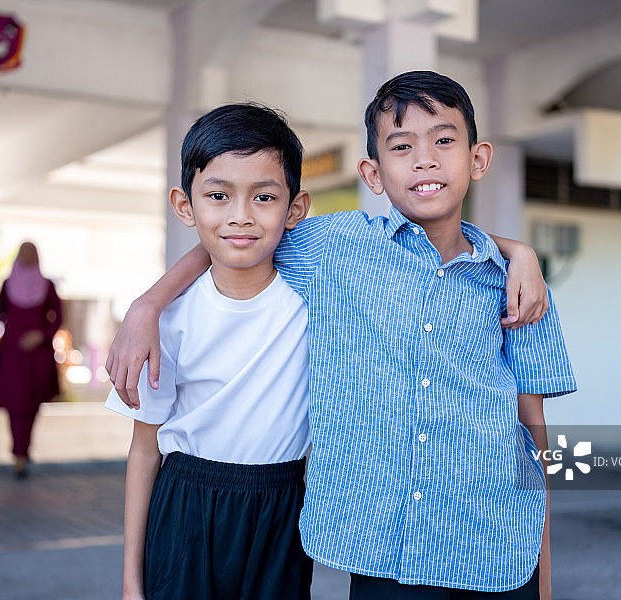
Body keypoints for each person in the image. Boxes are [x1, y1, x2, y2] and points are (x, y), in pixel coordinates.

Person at [108, 71, 575, 599]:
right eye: (402, 146)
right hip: (386, 554)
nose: (425, 160)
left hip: (499, 550)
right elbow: (238, 230)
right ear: (372, 174)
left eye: (444, 140)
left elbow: (533, 432)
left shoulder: (517, 286)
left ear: (478, 158)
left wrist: (545, 568)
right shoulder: (337, 249)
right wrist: (148, 304)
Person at [105, 104, 314, 600]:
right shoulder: (167, 322)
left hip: (282, 506)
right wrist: (132, 584)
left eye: (264, 197)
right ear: (185, 205)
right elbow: (143, 450)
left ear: (295, 208)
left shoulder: (318, 300)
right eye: (218, 196)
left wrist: (516, 252)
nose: (241, 215)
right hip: (186, 504)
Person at [0, 241, 62, 479]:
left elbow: (57, 317)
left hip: (38, 358)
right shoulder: (7, 284)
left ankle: (23, 449)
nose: (27, 256)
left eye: (31, 252)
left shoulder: (47, 286)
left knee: (32, 405)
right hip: (12, 357)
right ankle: (19, 455)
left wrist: (40, 335)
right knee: (16, 406)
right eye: (23, 251)